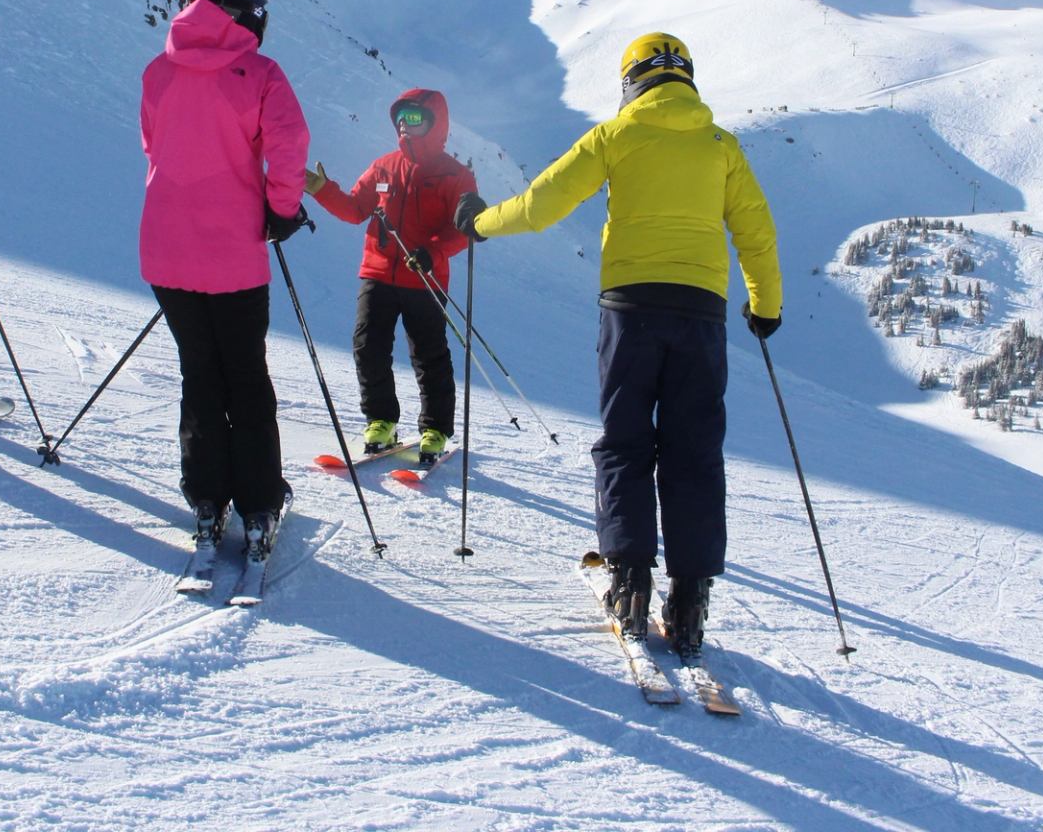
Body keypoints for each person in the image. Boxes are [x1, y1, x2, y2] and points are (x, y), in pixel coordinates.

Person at [453, 33, 782, 657]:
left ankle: (629, 581)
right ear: (686, 77)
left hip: (629, 311)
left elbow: (542, 204)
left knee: (627, 440)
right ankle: (689, 601)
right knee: (694, 452)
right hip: (702, 315)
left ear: (631, 80)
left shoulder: (614, 136)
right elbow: (756, 231)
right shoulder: (721, 146)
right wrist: (765, 306)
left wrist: (481, 222)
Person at [141, 0, 311, 559]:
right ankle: (259, 503)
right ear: (245, 14)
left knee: (199, 372)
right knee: (245, 375)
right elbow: (289, 147)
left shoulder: (159, 69)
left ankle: (206, 497)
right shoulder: (260, 72)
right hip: (234, 253)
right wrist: (281, 211)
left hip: (166, 251)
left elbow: (152, 142)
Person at [306, 89, 475, 463]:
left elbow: (463, 228)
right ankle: (381, 420)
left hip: (425, 280)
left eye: (413, 118)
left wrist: (432, 252)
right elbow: (354, 209)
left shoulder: (455, 174)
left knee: (429, 355)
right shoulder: (383, 167)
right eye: (400, 119)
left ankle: (434, 429)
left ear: (435, 123)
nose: (404, 125)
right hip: (378, 273)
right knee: (369, 347)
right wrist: (321, 189)